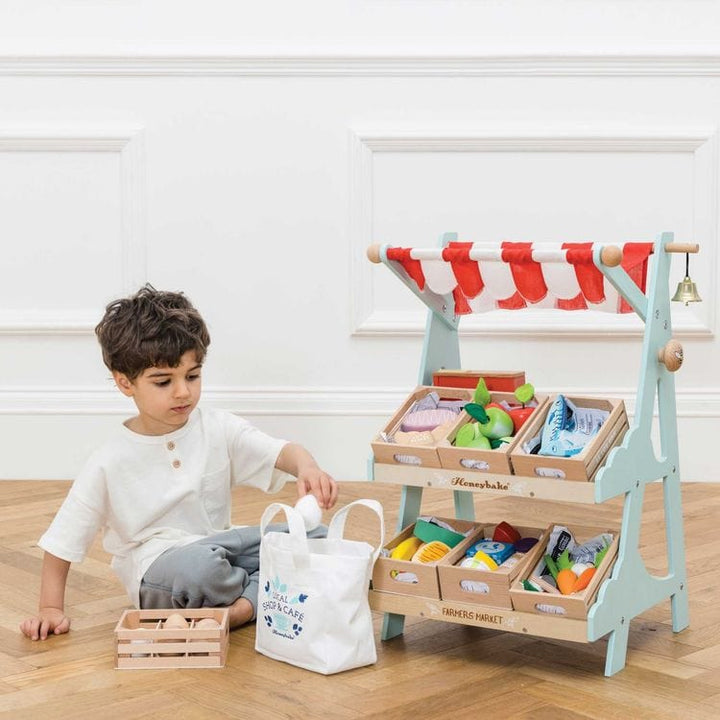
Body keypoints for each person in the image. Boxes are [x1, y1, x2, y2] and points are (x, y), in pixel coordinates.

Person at [20, 285, 338, 640]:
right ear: (125, 383)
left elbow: (280, 452)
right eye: (163, 381)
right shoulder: (108, 462)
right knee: (201, 568)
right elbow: (63, 540)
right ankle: (258, 597)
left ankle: (238, 608)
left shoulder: (218, 427)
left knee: (315, 538)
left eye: (192, 376)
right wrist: (50, 608)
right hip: (162, 567)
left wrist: (307, 467)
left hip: (223, 547)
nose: (183, 392)